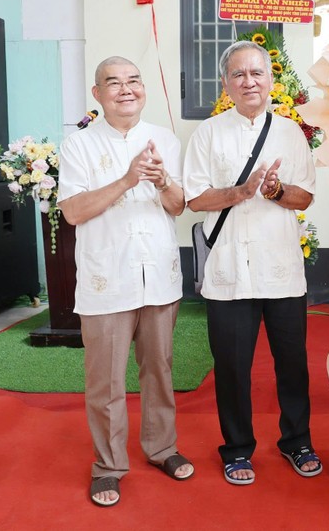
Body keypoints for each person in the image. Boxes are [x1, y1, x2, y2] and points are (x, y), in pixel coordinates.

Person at [58, 56, 193, 507]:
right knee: (106, 383)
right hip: (107, 280)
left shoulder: (166, 139)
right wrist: (127, 178)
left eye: (133, 81)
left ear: (143, 89)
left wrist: (161, 181)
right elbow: (73, 212)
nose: (126, 89)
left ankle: (162, 448)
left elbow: (177, 206)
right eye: (113, 83)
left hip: (158, 275)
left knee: (160, 370)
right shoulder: (76, 145)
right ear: (97, 95)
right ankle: (108, 466)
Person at [183, 40, 319, 486]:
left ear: (271, 80)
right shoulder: (207, 134)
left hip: (281, 271)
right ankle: (237, 449)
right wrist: (241, 192)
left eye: (256, 73)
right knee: (232, 367)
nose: (249, 82)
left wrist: (277, 190)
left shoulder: (291, 133)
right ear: (226, 84)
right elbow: (195, 198)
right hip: (227, 273)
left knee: (292, 364)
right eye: (238, 75)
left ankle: (296, 441)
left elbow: (306, 196)